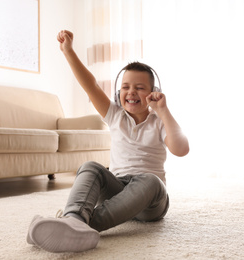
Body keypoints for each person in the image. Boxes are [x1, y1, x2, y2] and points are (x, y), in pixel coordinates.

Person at [26, 30, 189, 253]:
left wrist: (163, 110)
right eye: (125, 87)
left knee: (151, 181)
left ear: (153, 92)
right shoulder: (115, 115)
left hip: (151, 201)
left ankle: (74, 225)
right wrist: (68, 51)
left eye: (140, 88)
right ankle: (73, 218)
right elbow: (90, 85)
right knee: (90, 167)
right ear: (117, 92)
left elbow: (181, 149)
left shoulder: (159, 121)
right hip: (119, 190)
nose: (131, 92)